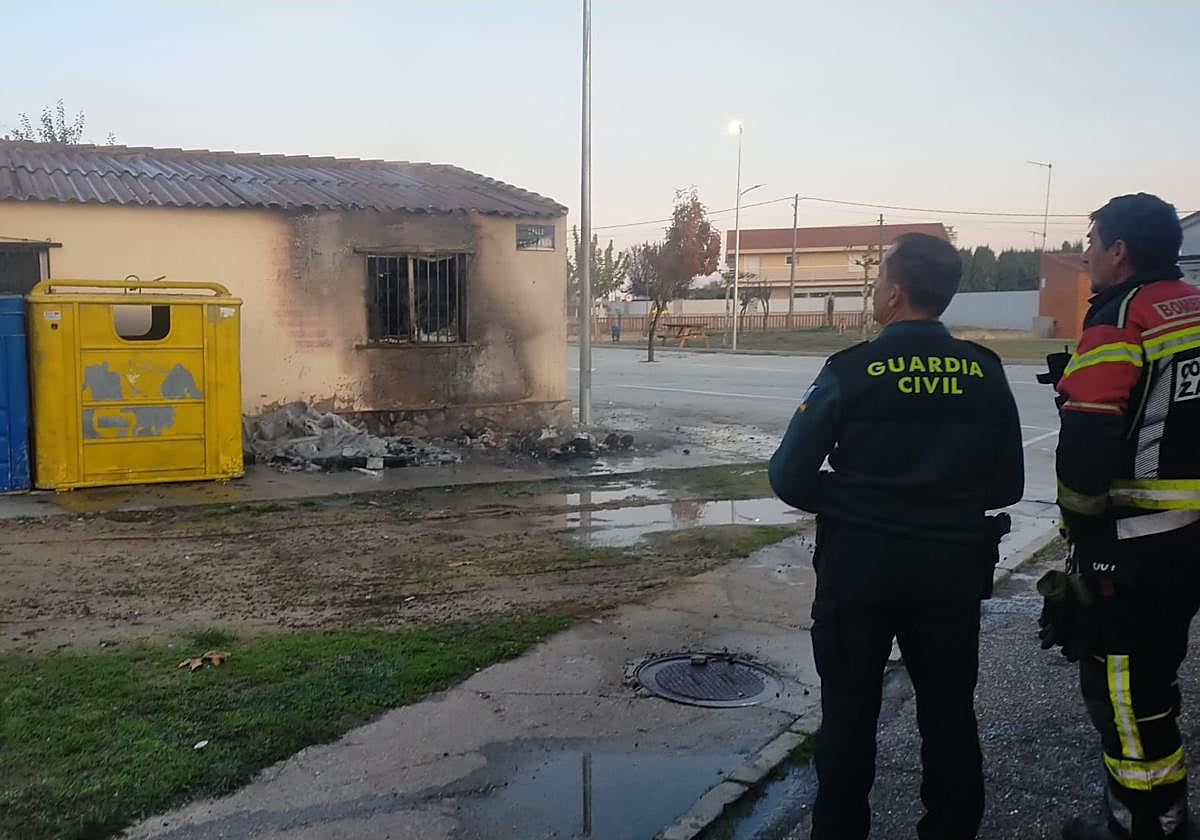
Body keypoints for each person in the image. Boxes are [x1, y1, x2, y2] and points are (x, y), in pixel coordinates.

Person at [769, 232, 1024, 840]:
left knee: (848, 721)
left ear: (897, 291)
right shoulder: (985, 372)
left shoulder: (852, 370)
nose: (874, 288)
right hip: (950, 576)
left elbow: (788, 475)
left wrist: (852, 500)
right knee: (949, 719)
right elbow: (1008, 484)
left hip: (861, 570)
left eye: (878, 277)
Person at [1041, 194, 1200, 840]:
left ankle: (1144, 824)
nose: (1085, 255)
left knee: (1123, 695)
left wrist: (1081, 529)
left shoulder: (1119, 319)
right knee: (1156, 679)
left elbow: (1086, 449)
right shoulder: (1191, 309)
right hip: (1189, 543)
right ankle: (1169, 809)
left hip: (1133, 548)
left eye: (1092, 242)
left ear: (1119, 252)